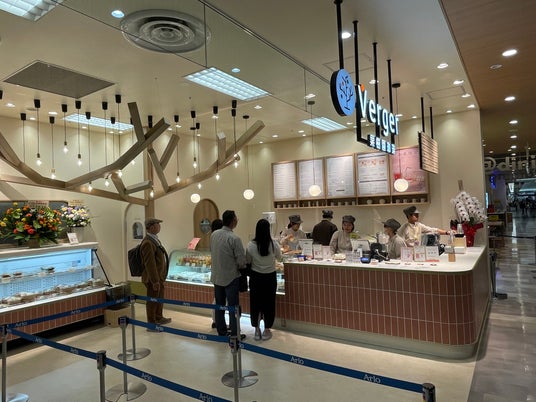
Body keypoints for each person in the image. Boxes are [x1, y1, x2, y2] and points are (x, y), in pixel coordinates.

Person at [210, 210, 246, 339]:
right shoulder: (234, 238)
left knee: (219, 306)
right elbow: (241, 261)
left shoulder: (214, 235)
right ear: (233, 221)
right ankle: (235, 333)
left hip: (216, 276)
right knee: (233, 307)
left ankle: (222, 332)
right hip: (231, 277)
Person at [246, 218, 282, 341]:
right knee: (269, 303)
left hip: (255, 278)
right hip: (270, 277)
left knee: (255, 303)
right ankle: (267, 330)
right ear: (268, 230)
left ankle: (256, 330)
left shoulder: (251, 245)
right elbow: (280, 257)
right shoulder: (274, 244)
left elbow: (248, 261)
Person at [141, 217, 171, 330]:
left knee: (159, 298)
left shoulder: (154, 239)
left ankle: (159, 317)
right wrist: (154, 281)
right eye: (158, 224)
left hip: (159, 276)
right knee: (152, 300)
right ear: (152, 227)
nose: (159, 226)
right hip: (153, 279)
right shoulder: (148, 242)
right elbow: (150, 264)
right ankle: (151, 323)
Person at [210, 218, 224, 330]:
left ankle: (216, 321)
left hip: (215, 273)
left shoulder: (212, 237)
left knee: (217, 299)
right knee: (222, 301)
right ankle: (219, 322)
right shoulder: (222, 238)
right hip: (223, 274)